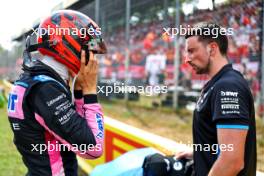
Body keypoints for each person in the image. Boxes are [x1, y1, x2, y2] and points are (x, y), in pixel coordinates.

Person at [7, 10, 106, 176]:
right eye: (89, 47)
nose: (92, 56)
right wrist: (89, 92)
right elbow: (93, 148)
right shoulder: (45, 89)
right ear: (69, 44)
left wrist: (79, 91)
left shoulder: (35, 78)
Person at [175, 22, 256, 176]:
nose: (187, 59)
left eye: (192, 51)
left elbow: (231, 161)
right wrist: (199, 153)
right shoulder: (217, 83)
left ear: (212, 49)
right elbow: (223, 145)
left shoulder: (227, 86)